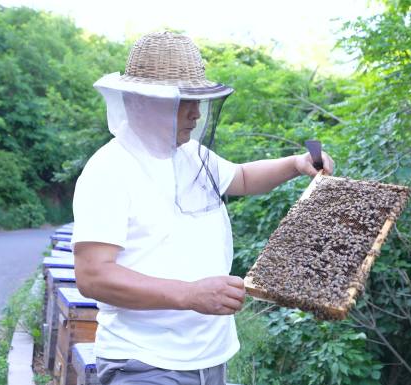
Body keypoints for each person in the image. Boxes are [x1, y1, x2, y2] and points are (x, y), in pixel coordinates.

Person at [72, 31, 334, 385]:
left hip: (210, 360)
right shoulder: (109, 170)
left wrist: (294, 164)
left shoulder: (190, 154)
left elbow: (240, 178)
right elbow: (93, 276)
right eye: (184, 101)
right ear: (144, 100)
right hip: (144, 364)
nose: (196, 113)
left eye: (199, 101)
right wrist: (190, 294)